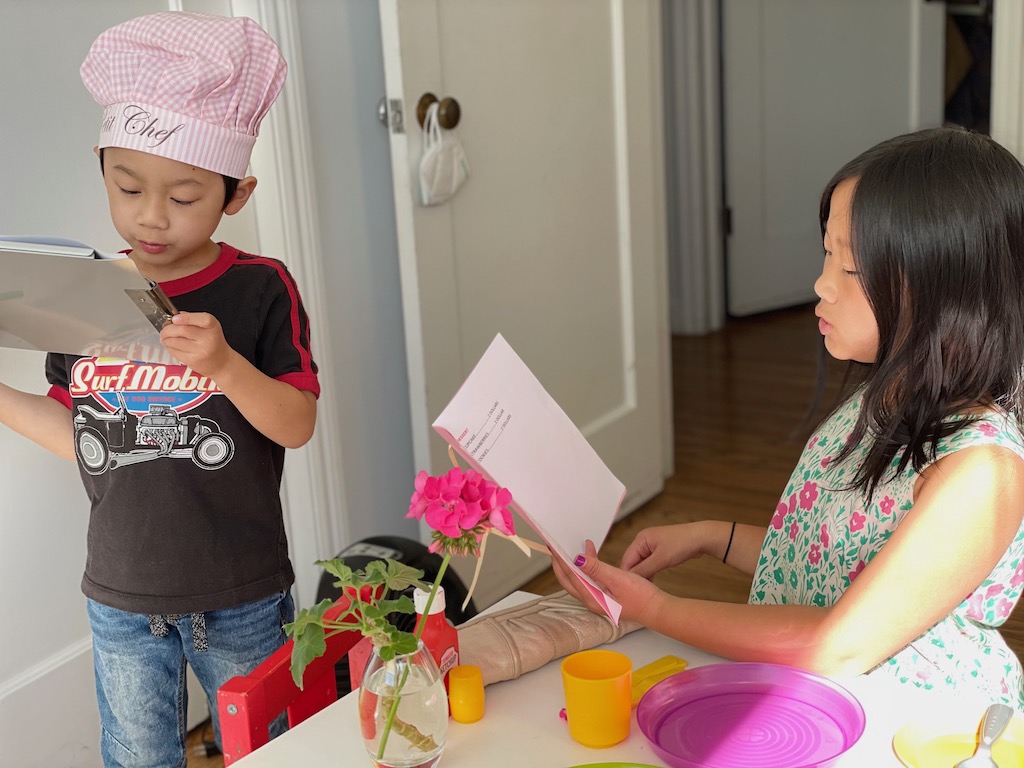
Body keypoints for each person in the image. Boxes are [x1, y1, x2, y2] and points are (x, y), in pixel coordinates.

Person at [554, 125, 1024, 709]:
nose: (822, 284)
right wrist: (711, 537)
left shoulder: (983, 471)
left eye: (851, 269)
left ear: (945, 289)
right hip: (821, 700)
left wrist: (656, 610)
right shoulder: (889, 397)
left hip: (915, 728)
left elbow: (838, 644)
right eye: (827, 252)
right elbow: (828, 559)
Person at [0, 12, 318, 766]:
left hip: (241, 591)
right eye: (127, 185)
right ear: (102, 167)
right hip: (119, 592)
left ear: (235, 194)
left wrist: (227, 368)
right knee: (136, 757)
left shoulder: (259, 289)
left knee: (274, 749)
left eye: (183, 197)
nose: (150, 216)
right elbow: (72, 431)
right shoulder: (85, 290)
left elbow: (296, 424)